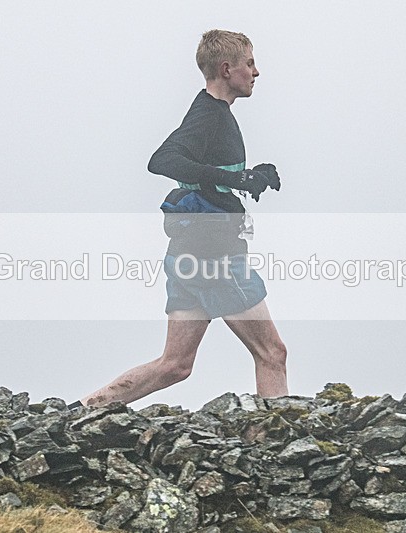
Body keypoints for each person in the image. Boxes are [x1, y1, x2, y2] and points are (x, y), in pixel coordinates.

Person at [74, 30, 287, 408]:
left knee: (174, 365)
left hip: (188, 256)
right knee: (272, 353)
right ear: (227, 69)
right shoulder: (208, 114)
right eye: (250, 63)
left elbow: (202, 174)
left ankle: (80, 411)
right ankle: (283, 443)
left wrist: (251, 174)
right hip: (214, 258)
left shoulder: (212, 113)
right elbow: (162, 161)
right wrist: (235, 178)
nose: (257, 72)